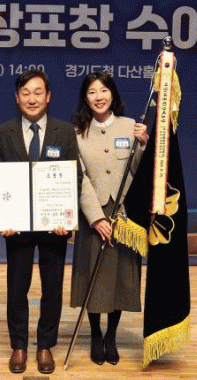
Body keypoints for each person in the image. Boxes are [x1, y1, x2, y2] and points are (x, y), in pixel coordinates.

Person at [0, 69, 81, 375]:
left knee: (52, 288)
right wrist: (2, 216)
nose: (32, 99)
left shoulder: (64, 131)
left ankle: (45, 345)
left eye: (38, 92)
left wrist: (67, 217)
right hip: (16, 225)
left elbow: (74, 177)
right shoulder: (3, 132)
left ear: (48, 96)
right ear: (17, 98)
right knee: (16, 288)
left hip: (53, 225)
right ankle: (18, 345)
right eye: (26, 93)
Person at [69, 72, 148, 365]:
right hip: (94, 215)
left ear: (112, 94)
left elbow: (141, 170)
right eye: (92, 92)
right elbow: (80, 178)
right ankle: (95, 334)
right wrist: (95, 218)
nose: (99, 97)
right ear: (85, 98)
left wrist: (143, 144)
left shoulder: (131, 126)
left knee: (120, 279)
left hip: (124, 217)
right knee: (94, 276)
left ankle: (111, 335)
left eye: (103, 90)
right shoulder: (77, 132)